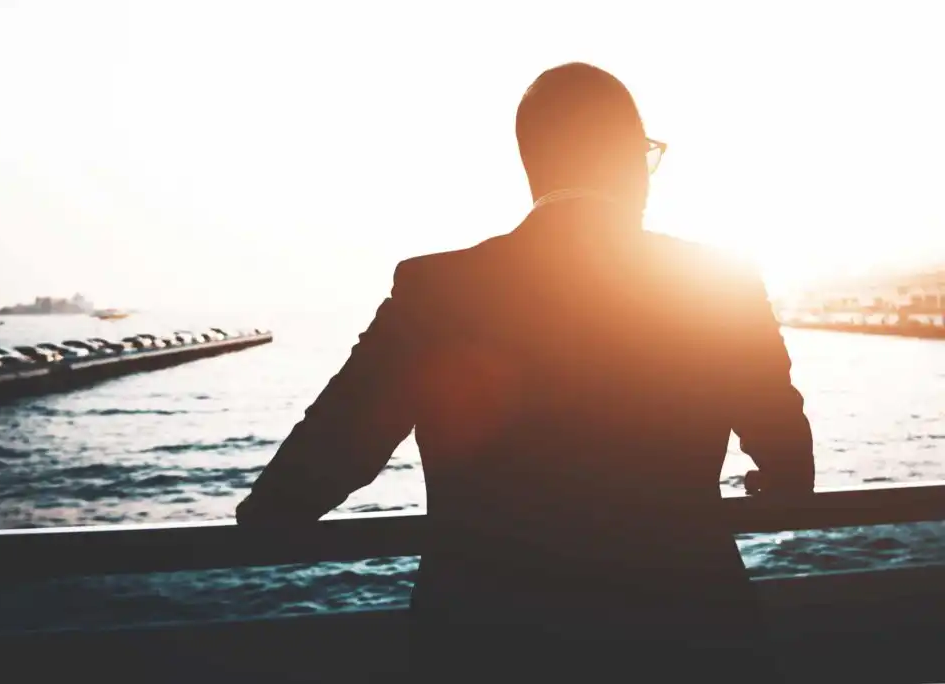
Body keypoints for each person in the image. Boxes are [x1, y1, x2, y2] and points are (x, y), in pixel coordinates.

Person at [237, 62, 814, 681]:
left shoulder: (439, 289)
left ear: (532, 164)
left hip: (492, 642)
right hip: (687, 639)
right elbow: (790, 462)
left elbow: (335, 446)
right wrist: (767, 483)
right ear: (627, 159)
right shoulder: (715, 283)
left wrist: (267, 515)